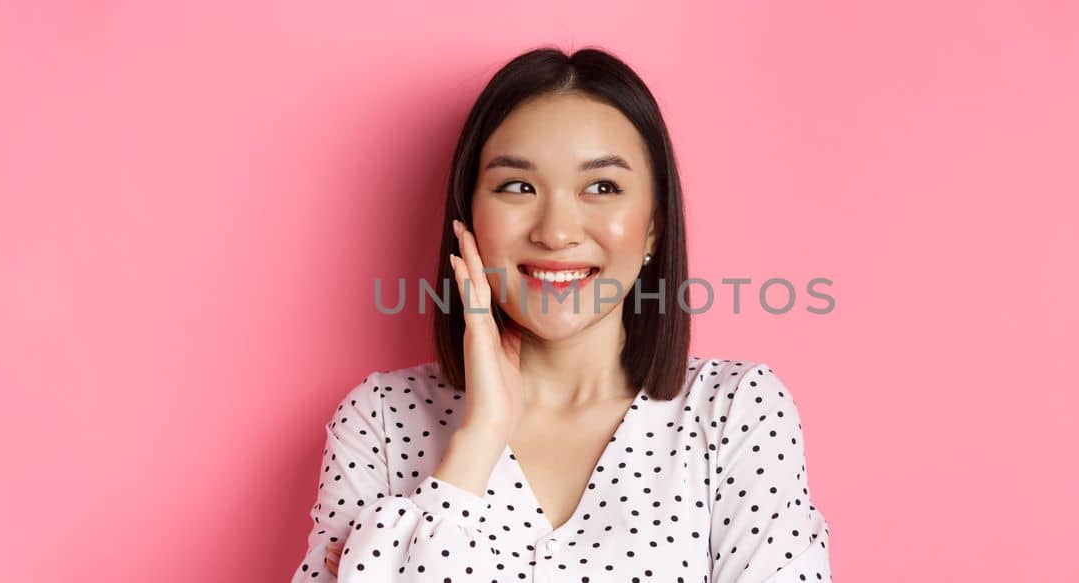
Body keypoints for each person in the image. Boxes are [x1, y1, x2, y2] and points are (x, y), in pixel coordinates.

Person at [291, 46, 831, 582]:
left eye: (601, 187)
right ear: (469, 215)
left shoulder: (735, 411)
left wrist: (391, 559)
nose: (555, 232)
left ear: (653, 226)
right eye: (518, 187)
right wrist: (478, 438)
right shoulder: (380, 419)